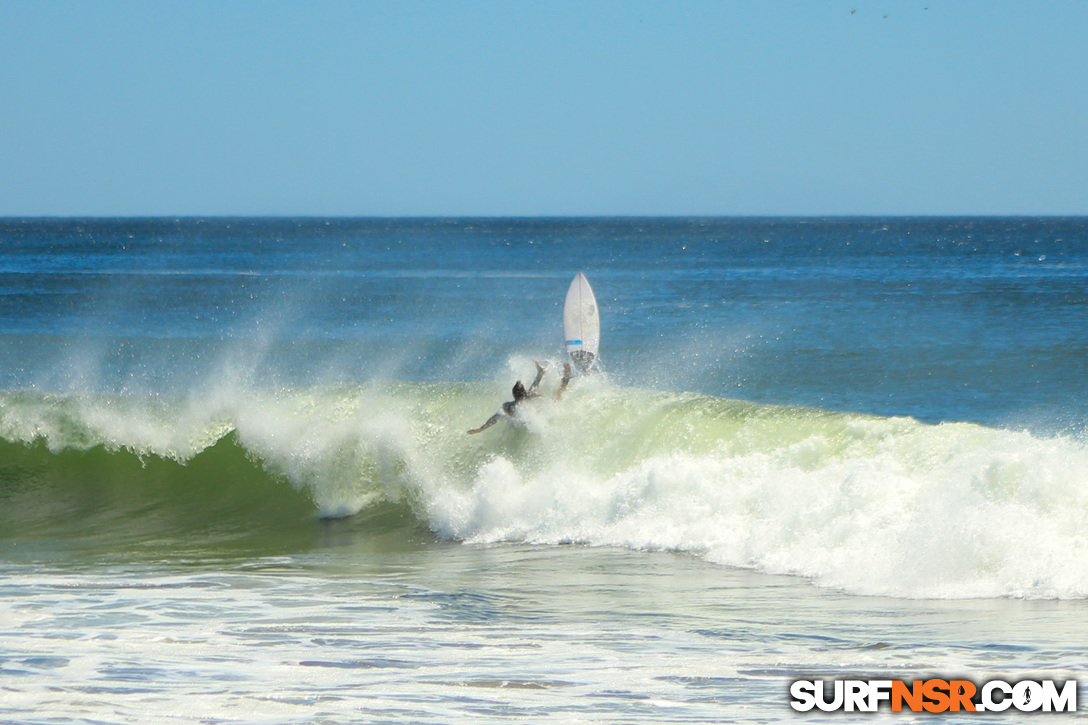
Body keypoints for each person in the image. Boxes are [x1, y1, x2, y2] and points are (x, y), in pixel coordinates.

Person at [467, 359, 571, 434]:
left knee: (540, 393)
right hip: (537, 418)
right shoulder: (528, 397)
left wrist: (480, 429)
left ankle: (543, 373)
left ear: (513, 394)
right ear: (523, 392)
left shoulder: (507, 406)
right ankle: (550, 375)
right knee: (554, 397)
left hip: (528, 424)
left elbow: (494, 419)